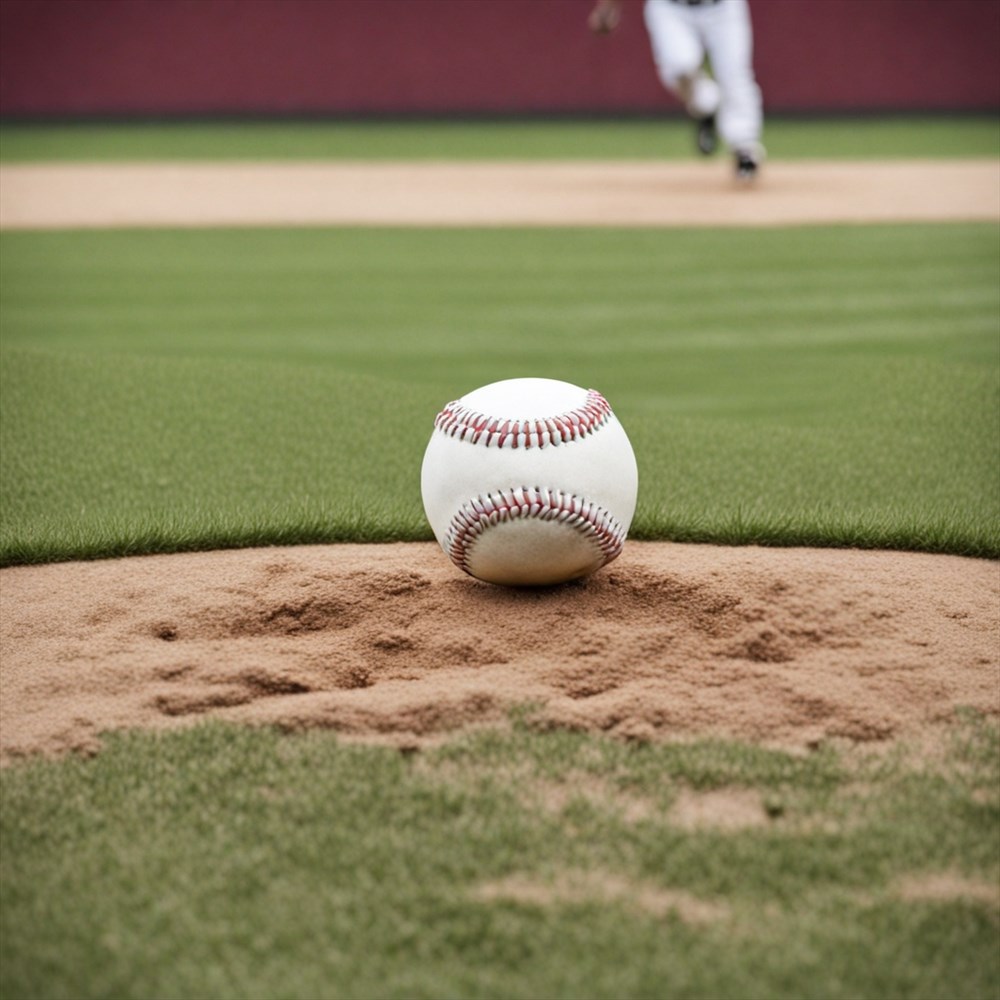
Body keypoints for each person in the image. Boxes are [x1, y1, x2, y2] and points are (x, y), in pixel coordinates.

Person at [589, 0, 765, 181]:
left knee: (734, 74)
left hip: (722, 7)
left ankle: (744, 146)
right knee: (679, 67)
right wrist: (608, 6)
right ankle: (705, 104)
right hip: (670, 7)